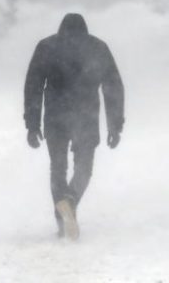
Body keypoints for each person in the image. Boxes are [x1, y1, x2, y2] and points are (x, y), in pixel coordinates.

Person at [23, 13, 124, 240]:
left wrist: (32, 124)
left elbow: (33, 86)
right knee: (84, 169)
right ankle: (71, 200)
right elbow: (113, 87)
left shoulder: (47, 47)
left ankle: (62, 219)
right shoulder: (98, 48)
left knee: (58, 168)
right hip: (85, 116)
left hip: (55, 116)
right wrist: (114, 125)